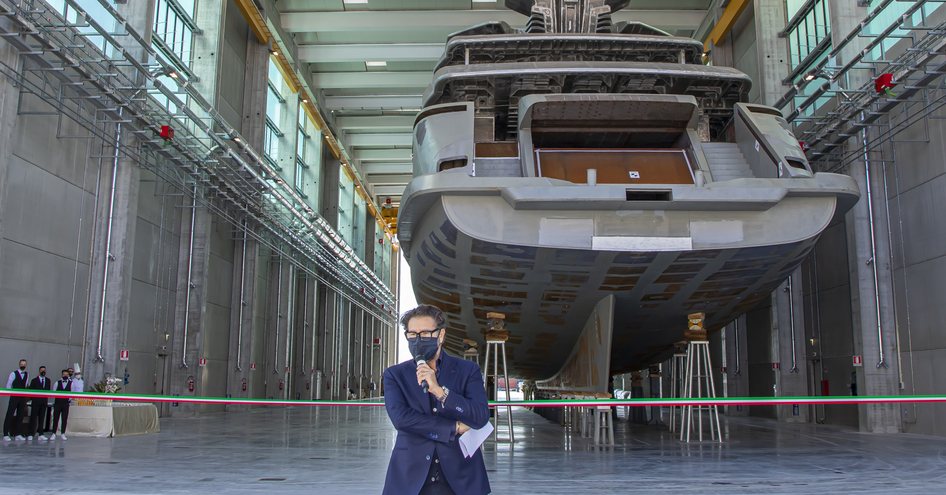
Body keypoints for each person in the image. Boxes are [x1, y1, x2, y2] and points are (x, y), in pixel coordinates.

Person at [382, 304, 491, 495]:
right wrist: (453, 428)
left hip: (462, 479)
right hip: (410, 479)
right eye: (412, 334)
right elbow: (402, 419)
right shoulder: (395, 375)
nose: (418, 340)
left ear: (440, 335)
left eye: (425, 334)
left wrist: (441, 393)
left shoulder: (468, 370)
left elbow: (480, 416)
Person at [3, 359, 30, 441]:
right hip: (14, 397)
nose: (23, 365)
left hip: (22, 397)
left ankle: (18, 434)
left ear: (26, 365)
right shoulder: (13, 373)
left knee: (20, 415)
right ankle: (5, 434)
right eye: (21, 364)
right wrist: (11, 394)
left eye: (24, 364)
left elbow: (25, 385)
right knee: (10, 414)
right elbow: (8, 385)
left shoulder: (27, 374)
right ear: (19, 364)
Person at [28, 365, 51, 441]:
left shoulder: (48, 380)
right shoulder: (34, 380)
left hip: (44, 402)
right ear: (39, 371)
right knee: (33, 418)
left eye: (44, 370)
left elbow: (48, 391)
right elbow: (30, 392)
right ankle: (31, 434)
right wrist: (34, 399)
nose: (43, 371)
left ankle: (41, 434)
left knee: (42, 418)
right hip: (35, 402)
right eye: (42, 370)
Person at [50, 369, 72, 440]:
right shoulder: (57, 382)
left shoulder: (71, 383)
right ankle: (53, 433)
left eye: (66, 374)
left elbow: (72, 393)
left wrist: (68, 400)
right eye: (64, 374)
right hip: (57, 403)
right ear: (62, 375)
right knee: (55, 418)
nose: (65, 375)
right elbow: (53, 392)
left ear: (68, 375)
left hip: (66, 404)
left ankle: (63, 433)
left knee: (64, 419)